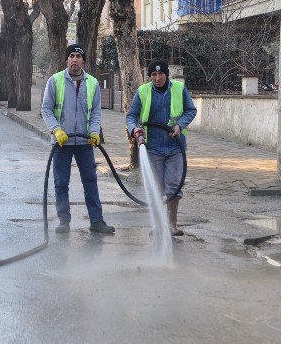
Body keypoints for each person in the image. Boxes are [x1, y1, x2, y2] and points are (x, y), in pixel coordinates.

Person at [41, 44, 114, 235]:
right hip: (61, 142)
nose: (74, 60)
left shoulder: (92, 83)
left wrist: (94, 131)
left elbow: (96, 111)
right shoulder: (55, 81)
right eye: (71, 56)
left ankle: (97, 222)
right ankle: (64, 221)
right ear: (67, 59)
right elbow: (46, 109)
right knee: (61, 182)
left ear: (83, 60)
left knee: (90, 181)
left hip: (84, 142)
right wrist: (56, 130)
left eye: (78, 56)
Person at [126, 60, 197, 236]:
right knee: (156, 187)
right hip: (152, 147)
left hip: (175, 148)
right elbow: (131, 116)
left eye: (161, 74)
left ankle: (172, 224)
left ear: (167, 74)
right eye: (153, 75)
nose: (157, 78)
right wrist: (134, 129)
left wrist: (180, 125)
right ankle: (157, 225)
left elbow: (191, 110)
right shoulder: (142, 91)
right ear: (150, 76)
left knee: (174, 186)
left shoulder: (179, 89)